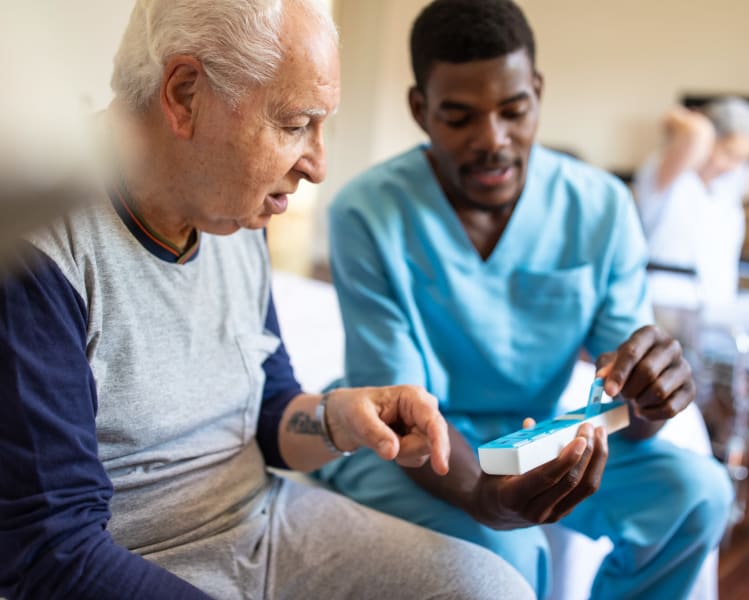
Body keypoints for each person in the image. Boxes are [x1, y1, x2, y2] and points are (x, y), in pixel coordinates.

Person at [0, 1, 538, 598]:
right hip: (129, 564)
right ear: (184, 95)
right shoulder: (39, 253)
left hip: (262, 525)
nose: (318, 164)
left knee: (493, 589)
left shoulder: (231, 213)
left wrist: (339, 419)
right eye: (293, 124)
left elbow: (269, 407)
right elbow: (52, 554)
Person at [318, 1, 734, 598]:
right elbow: (398, 415)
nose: (493, 141)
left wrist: (650, 399)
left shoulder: (600, 208)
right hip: (403, 450)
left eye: (513, 111)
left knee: (698, 493)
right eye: (459, 117)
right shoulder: (366, 214)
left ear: (537, 92)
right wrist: (484, 498)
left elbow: (626, 415)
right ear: (420, 110)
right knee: (506, 553)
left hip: (528, 436)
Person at [634, 97, 749, 487]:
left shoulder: (728, 187)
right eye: (726, 152)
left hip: (720, 311)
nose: (730, 164)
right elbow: (696, 133)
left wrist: (745, 142)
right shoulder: (666, 177)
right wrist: (690, 121)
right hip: (675, 312)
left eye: (740, 158)